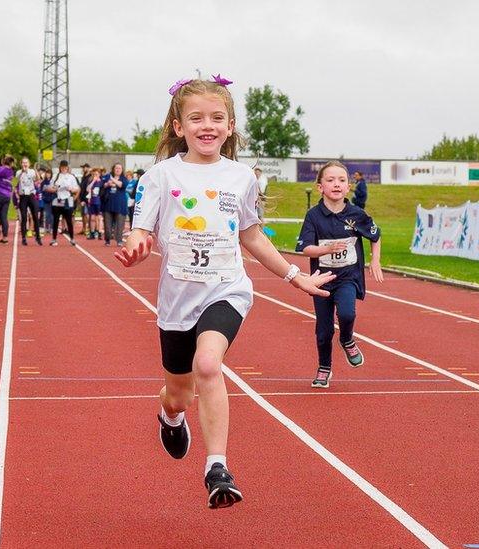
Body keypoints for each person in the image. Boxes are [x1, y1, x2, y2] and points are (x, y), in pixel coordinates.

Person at [115, 76, 333, 509]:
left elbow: (252, 236)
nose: (207, 125)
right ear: (179, 126)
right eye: (196, 118)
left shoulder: (241, 178)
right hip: (177, 300)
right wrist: (137, 246)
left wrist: (295, 275)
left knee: (209, 365)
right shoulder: (160, 176)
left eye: (217, 118)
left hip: (227, 289)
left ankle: (217, 467)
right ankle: (170, 416)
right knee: (178, 391)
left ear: (230, 126)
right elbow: (140, 230)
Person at [296, 161, 383, 388]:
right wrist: (325, 249)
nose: (336, 184)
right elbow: (305, 248)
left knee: (347, 313)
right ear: (320, 187)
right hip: (321, 280)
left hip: (348, 277)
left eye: (342, 180)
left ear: (348, 187)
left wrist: (376, 260)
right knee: (323, 330)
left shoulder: (356, 214)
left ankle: (347, 338)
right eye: (330, 180)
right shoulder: (314, 216)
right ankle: (324, 367)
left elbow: (375, 235)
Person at [47, 160, 79, 246]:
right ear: (60, 167)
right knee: (56, 220)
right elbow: (50, 188)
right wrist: (55, 188)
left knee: (69, 220)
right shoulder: (56, 176)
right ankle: (54, 239)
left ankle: (72, 238)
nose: (64, 169)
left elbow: (77, 189)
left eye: (65, 167)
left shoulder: (71, 177)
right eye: (62, 167)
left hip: (67, 200)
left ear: (68, 168)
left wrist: (71, 189)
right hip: (57, 200)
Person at [14, 156, 42, 246]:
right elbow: (17, 178)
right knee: (24, 217)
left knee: (35, 217)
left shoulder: (32, 171)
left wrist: (36, 170)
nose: (25, 164)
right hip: (23, 197)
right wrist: (23, 171)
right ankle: (23, 238)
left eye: (26, 162)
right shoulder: (19, 172)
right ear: (21, 164)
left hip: (31, 195)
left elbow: (38, 179)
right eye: (23, 162)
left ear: (29, 164)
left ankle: (38, 237)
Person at [102, 163, 129, 246]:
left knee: (120, 224)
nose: (117, 170)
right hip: (108, 204)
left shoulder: (123, 178)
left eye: (119, 168)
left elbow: (121, 185)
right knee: (107, 224)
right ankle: (107, 240)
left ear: (122, 170)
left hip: (120, 205)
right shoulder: (107, 177)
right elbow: (102, 185)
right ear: (113, 169)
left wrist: (112, 180)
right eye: (116, 168)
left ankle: (119, 240)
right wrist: (107, 184)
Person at [85, 167, 104, 239]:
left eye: (96, 174)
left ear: (99, 174)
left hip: (99, 202)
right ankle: (92, 232)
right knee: (92, 218)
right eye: (94, 174)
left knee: (99, 218)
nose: (95, 176)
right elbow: (87, 189)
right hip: (92, 201)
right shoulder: (91, 181)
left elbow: (102, 192)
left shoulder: (101, 182)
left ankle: (99, 232)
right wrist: (93, 181)